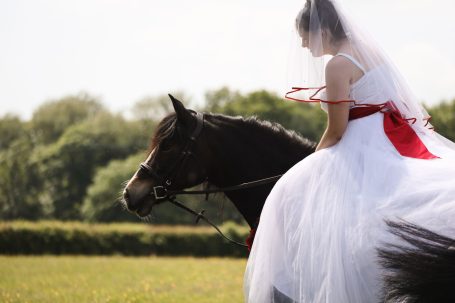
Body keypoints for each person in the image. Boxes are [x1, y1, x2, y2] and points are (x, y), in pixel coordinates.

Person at [243, 0, 455, 302]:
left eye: (306, 36)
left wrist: (311, 163)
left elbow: (337, 129)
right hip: (388, 135)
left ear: (325, 31)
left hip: (360, 141)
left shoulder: (338, 65)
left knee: (292, 193)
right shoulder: (372, 54)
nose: (303, 44)